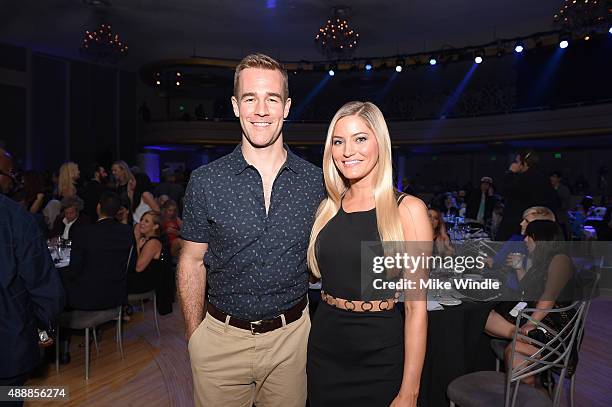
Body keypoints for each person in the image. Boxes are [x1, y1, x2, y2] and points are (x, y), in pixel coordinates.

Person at [178, 53, 325, 407]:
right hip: (220, 340)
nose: (261, 110)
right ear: (235, 105)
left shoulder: (315, 182)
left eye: (271, 98)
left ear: (286, 107)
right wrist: (194, 339)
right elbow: (191, 262)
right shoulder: (206, 181)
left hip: (292, 342)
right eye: (250, 98)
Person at [306, 101, 431, 407]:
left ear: (380, 143)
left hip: (380, 355)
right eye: (338, 141)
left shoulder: (408, 211)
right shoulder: (326, 209)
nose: (348, 151)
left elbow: (416, 310)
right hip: (325, 347)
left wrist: (409, 393)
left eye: (360, 138)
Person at [0, 148, 65, 401]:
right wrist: (42, 332)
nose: (13, 179)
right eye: (10, 173)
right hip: (8, 349)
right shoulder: (17, 219)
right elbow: (45, 288)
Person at [484, 220, 576, 384]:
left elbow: (549, 296)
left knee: (513, 350)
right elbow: (527, 291)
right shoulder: (541, 260)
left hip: (554, 325)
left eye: (529, 236)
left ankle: (528, 392)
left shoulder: (561, 259)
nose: (525, 240)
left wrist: (531, 323)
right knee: (485, 317)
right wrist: (519, 269)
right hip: (537, 317)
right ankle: (522, 336)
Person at [496, 150, 557, 241]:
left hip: (517, 223)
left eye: (517, 161)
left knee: (507, 252)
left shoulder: (523, 178)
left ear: (523, 163)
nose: (515, 164)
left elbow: (503, 190)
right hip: (538, 223)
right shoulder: (543, 178)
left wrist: (510, 173)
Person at [129, 211, 164, 294]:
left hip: (144, 283)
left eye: (146, 221)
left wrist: (137, 247)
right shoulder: (145, 240)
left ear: (155, 226)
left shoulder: (153, 243)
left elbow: (138, 268)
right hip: (140, 279)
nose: (141, 223)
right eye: (142, 220)